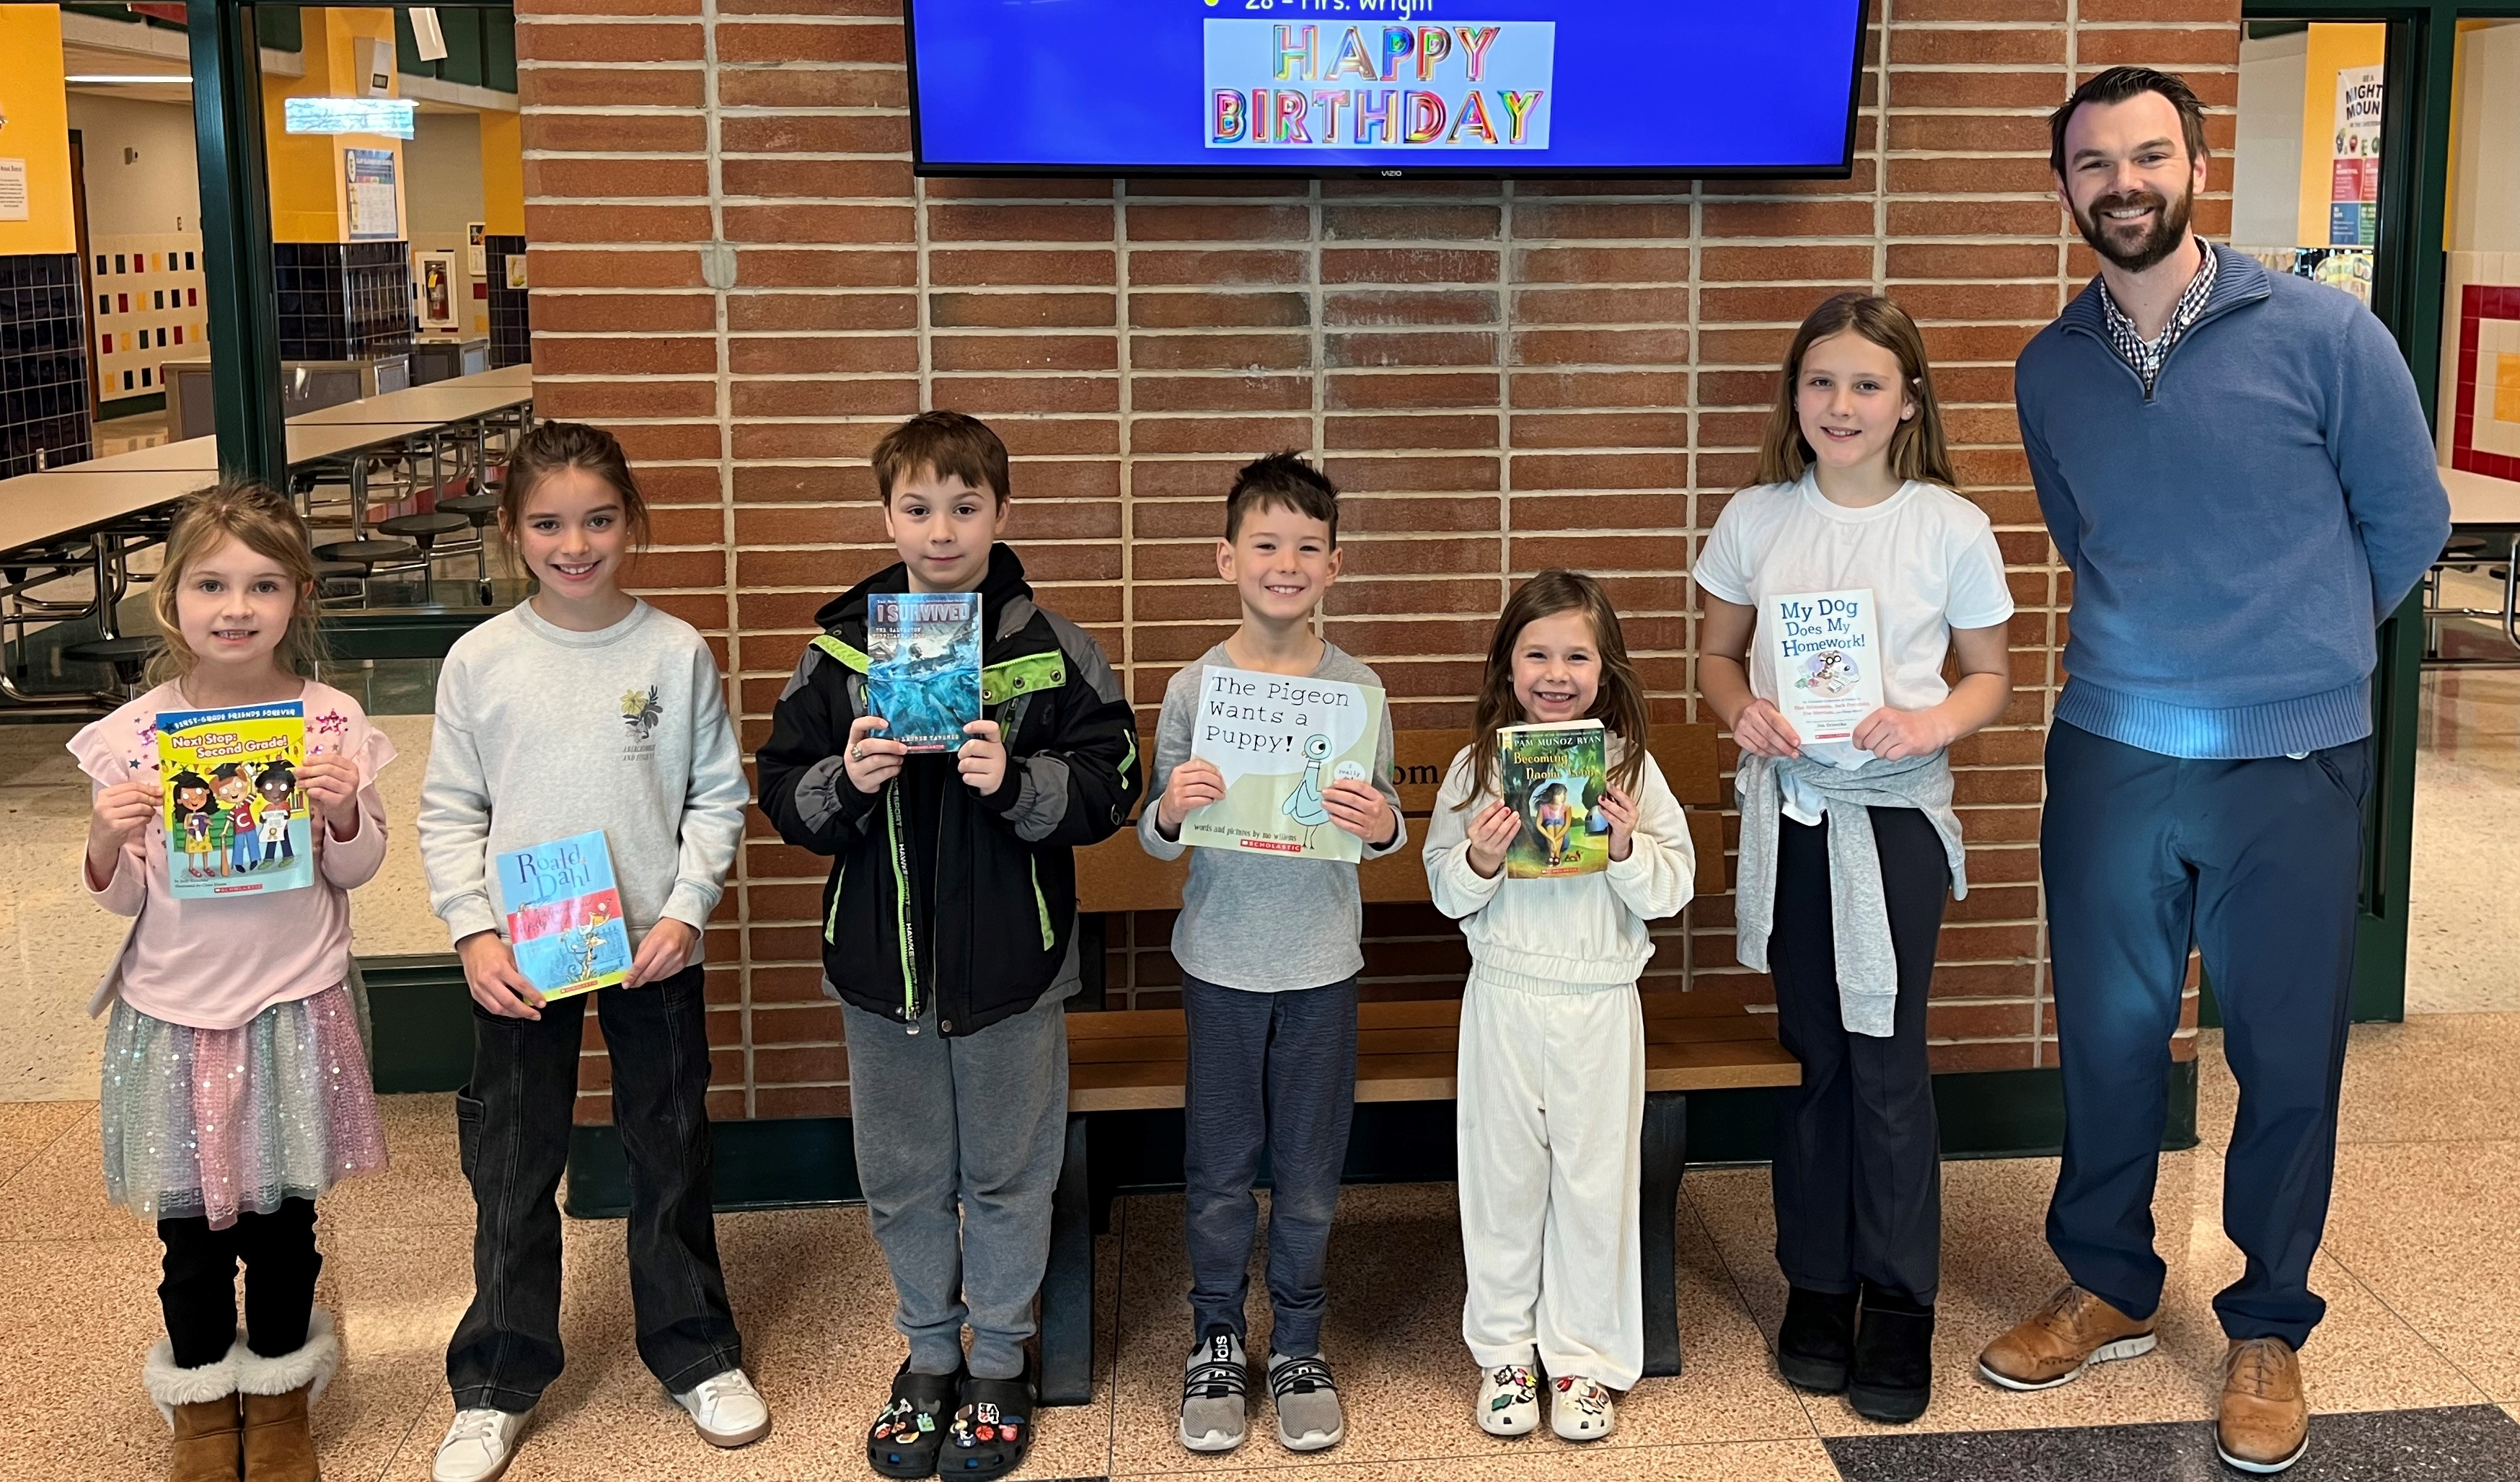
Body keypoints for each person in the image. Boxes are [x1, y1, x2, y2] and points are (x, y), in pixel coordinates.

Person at [1984, 66, 2450, 1476]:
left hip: (2292, 757)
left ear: (2194, 164)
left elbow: (2407, 518)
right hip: (2118, 745)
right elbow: (2086, 535)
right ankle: (2112, 1278)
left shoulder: (2324, 333)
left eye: (2146, 154)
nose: (2121, 182)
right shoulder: (2046, 365)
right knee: (2114, 1041)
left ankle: (2265, 1320)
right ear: (2062, 186)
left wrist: (2294, 644)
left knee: (2284, 1054)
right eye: (2091, 163)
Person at [755, 410, 1142, 1481]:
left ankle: (1002, 1362)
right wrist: (849, 778)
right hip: (884, 975)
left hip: (1014, 975)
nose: (941, 530)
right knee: (905, 1173)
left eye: (964, 507)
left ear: (1000, 514)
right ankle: (929, 1355)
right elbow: (780, 789)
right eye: (918, 508)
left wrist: (1017, 782)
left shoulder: (1048, 648)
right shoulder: (838, 649)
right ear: (887, 514)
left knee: (1012, 1175)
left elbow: (1116, 778)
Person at [419, 421, 765, 1482]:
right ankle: (494, 1377)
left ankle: (695, 1348)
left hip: (653, 948)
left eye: (599, 519)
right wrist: (473, 930)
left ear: (632, 522)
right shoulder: (481, 659)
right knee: (514, 1162)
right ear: (512, 533)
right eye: (549, 522)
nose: (577, 543)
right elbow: (448, 810)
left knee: (668, 1145)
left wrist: (688, 908)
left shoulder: (672, 650)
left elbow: (716, 794)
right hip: (522, 954)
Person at [1696, 293, 2015, 1425]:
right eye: (1821, 382)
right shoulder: (1754, 517)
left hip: (1890, 820)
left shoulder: (1947, 525)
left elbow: (1988, 674)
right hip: (1793, 811)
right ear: (1794, 396)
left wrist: (1927, 724)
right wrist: (1742, 714)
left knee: (1886, 1056)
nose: (1841, 404)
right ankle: (1817, 1281)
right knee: (1813, 1050)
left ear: (1906, 402)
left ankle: (1899, 1297)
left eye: (1866, 384)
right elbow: (1717, 658)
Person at [70, 481, 395, 1482]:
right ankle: (205, 1404)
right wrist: (104, 837)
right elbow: (117, 900)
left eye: (261, 584)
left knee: (284, 1224)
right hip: (173, 1015)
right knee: (193, 1234)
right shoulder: (131, 735)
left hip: (292, 1006)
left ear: (298, 595)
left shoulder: (329, 720)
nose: (236, 607)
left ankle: (283, 1394)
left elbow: (357, 868)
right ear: (171, 600)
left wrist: (343, 813)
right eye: (211, 583)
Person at [1137, 453, 1404, 1457]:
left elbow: (1380, 830)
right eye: (1265, 543)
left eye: (1305, 546)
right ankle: (1214, 1333)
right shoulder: (1194, 687)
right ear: (1226, 558)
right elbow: (1157, 833)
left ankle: (1296, 1339)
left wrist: (1381, 821)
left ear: (1334, 564)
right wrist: (1171, 804)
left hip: (1322, 965)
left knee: (1306, 1173)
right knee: (1214, 1169)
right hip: (1219, 963)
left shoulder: (1357, 687)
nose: (1284, 562)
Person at [1422, 570, 1694, 1444]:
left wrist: (1621, 844)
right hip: (1503, 996)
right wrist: (1483, 858)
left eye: (1576, 655)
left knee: (1592, 1185)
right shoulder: (1477, 769)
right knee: (1501, 1182)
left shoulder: (1630, 773)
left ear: (1604, 670)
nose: (1554, 672)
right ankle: (1505, 1352)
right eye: (1535, 653)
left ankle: (1580, 1358)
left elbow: (1671, 887)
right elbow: (1444, 890)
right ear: (1506, 667)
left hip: (1598, 1003)